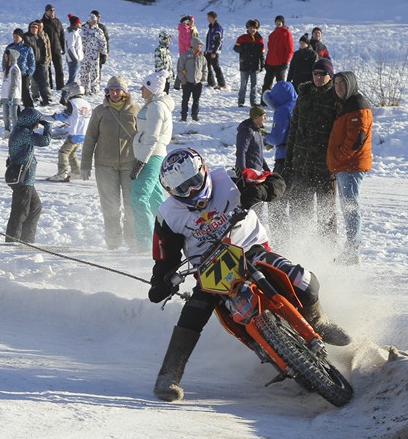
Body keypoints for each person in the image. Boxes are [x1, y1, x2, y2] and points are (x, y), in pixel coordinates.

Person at [147, 147, 350, 402]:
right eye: (181, 190)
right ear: (170, 191)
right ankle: (169, 375)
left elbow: (276, 180)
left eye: (194, 183)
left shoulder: (230, 178)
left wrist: (261, 191)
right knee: (194, 311)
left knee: (304, 281)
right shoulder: (168, 215)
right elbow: (165, 256)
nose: (190, 192)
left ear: (205, 171)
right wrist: (160, 282)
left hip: (250, 249)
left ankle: (317, 320)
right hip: (209, 268)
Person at [81, 76, 140, 250]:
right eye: (111, 90)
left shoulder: (136, 110)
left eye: (118, 90)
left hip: (130, 165)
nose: (114, 93)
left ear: (125, 92)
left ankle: (132, 241)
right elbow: (90, 138)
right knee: (110, 207)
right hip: (105, 166)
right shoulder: (100, 111)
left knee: (131, 206)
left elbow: (144, 138)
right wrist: (85, 165)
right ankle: (113, 243)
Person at [285, 58, 338, 246]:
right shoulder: (304, 95)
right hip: (302, 166)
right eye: (315, 73)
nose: (318, 77)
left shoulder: (335, 98)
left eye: (322, 74)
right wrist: (288, 161)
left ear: (330, 76)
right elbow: (293, 129)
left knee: (327, 214)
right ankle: (301, 247)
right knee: (300, 210)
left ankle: (327, 250)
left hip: (325, 168)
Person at [327, 71, 373, 265]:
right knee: (348, 207)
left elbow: (356, 141)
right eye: (336, 83)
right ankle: (351, 249)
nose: (338, 87)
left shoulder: (357, 107)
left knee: (351, 207)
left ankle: (353, 251)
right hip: (346, 166)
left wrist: (338, 156)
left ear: (351, 85)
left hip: (350, 166)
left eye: (342, 84)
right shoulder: (347, 105)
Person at [130, 70, 173, 252]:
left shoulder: (156, 108)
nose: (141, 89)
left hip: (151, 155)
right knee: (156, 199)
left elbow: (152, 137)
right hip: (153, 155)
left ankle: (146, 243)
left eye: (144, 86)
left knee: (139, 196)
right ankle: (165, 237)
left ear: (152, 89)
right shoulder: (155, 104)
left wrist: (141, 161)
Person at [5, 107, 52, 243]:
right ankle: (12, 241)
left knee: (35, 208)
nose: (38, 125)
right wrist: (47, 126)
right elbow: (45, 141)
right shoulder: (23, 133)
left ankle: (27, 240)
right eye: (36, 122)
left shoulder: (21, 130)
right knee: (20, 212)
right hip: (23, 179)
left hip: (27, 180)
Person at [262, 81, 298, 245]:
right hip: (299, 158)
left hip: (284, 158)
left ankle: (281, 241)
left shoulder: (282, 110)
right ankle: (298, 239)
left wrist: (266, 138)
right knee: (296, 200)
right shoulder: (298, 105)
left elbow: (277, 137)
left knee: (276, 200)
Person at [45, 82, 92, 182]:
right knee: (71, 152)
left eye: (68, 92)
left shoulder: (73, 102)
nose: (67, 94)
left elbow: (65, 116)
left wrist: (55, 116)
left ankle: (62, 173)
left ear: (73, 91)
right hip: (83, 133)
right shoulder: (86, 103)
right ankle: (76, 172)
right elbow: (77, 117)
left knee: (63, 152)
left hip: (75, 133)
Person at [233, 19, 265, 108]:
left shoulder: (260, 39)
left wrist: (262, 64)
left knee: (254, 85)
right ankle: (241, 101)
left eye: (254, 28)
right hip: (245, 64)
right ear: (248, 28)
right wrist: (243, 48)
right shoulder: (242, 38)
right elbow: (236, 48)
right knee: (243, 84)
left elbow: (261, 54)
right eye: (251, 28)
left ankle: (253, 101)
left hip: (255, 65)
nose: (252, 30)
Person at [262, 15, 293, 101]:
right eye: (277, 21)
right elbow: (270, 50)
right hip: (271, 62)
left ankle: (282, 100)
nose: (278, 23)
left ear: (283, 23)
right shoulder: (272, 34)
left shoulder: (286, 33)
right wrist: (267, 62)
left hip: (281, 63)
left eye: (280, 21)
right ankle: (264, 101)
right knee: (267, 83)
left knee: (281, 84)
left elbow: (290, 50)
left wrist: (286, 62)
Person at [176, 36, 208, 122]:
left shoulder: (202, 57)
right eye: (199, 45)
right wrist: (183, 79)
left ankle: (195, 115)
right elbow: (180, 68)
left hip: (198, 82)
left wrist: (203, 78)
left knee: (196, 100)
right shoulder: (185, 55)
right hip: (187, 82)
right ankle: (183, 116)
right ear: (193, 45)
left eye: (201, 45)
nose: (200, 47)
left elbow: (205, 68)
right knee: (185, 100)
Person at [4, 28, 35, 108]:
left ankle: (29, 110)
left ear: (21, 37)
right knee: (14, 93)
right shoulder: (9, 48)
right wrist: (6, 72)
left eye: (17, 36)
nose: (15, 38)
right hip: (12, 74)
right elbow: (4, 61)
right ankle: (15, 111)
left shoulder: (27, 48)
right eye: (14, 36)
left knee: (25, 93)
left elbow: (32, 62)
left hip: (24, 74)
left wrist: (29, 73)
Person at [80, 13, 108, 96]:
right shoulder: (83, 29)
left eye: (95, 21)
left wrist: (104, 53)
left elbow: (103, 42)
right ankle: (84, 89)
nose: (94, 22)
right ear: (89, 21)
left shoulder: (98, 31)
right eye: (93, 21)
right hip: (84, 55)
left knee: (94, 73)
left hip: (94, 56)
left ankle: (94, 90)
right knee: (84, 73)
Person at [235, 106, 268, 171]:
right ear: (256, 117)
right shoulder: (247, 130)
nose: (265, 118)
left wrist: (266, 168)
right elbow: (241, 151)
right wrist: (242, 170)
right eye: (263, 116)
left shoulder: (257, 131)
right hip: (249, 170)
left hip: (256, 170)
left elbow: (258, 153)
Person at [41, 4, 65, 91]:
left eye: (53, 10)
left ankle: (60, 86)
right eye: (50, 10)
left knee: (59, 68)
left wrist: (63, 47)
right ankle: (49, 86)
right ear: (46, 11)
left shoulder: (57, 21)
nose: (52, 12)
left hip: (57, 48)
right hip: (47, 49)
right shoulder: (42, 22)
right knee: (48, 69)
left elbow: (62, 35)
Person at [30, 21, 53, 106]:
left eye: (42, 26)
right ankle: (35, 95)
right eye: (39, 26)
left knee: (46, 80)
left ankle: (48, 95)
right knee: (34, 80)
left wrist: (49, 57)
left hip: (45, 61)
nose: (40, 28)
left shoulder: (45, 35)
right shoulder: (33, 36)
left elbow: (48, 47)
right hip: (36, 61)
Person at [0, 48, 22, 137]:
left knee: (13, 115)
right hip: (5, 96)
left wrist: (10, 96)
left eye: (7, 57)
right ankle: (7, 130)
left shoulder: (14, 69)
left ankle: (16, 132)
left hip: (13, 96)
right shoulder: (7, 69)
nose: (5, 59)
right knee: (5, 114)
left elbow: (14, 84)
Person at [205, 11, 226, 90]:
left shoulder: (218, 28)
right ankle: (211, 82)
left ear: (212, 18)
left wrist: (214, 51)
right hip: (209, 50)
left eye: (208, 17)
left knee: (216, 67)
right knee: (207, 66)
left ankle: (222, 83)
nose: (207, 19)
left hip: (214, 51)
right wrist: (207, 50)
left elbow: (218, 40)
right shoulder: (211, 27)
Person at [64, 14, 83, 87]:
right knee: (72, 80)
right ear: (75, 23)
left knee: (74, 79)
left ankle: (70, 94)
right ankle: (64, 95)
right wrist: (75, 59)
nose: (81, 23)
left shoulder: (75, 32)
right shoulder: (72, 33)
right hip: (73, 60)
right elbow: (70, 47)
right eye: (79, 22)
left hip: (75, 59)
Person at [91, 10, 109, 76]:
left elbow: (106, 41)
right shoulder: (85, 27)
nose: (98, 19)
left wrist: (106, 53)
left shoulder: (102, 28)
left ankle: (97, 84)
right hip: (87, 55)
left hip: (98, 54)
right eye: (96, 17)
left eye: (99, 17)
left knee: (97, 72)